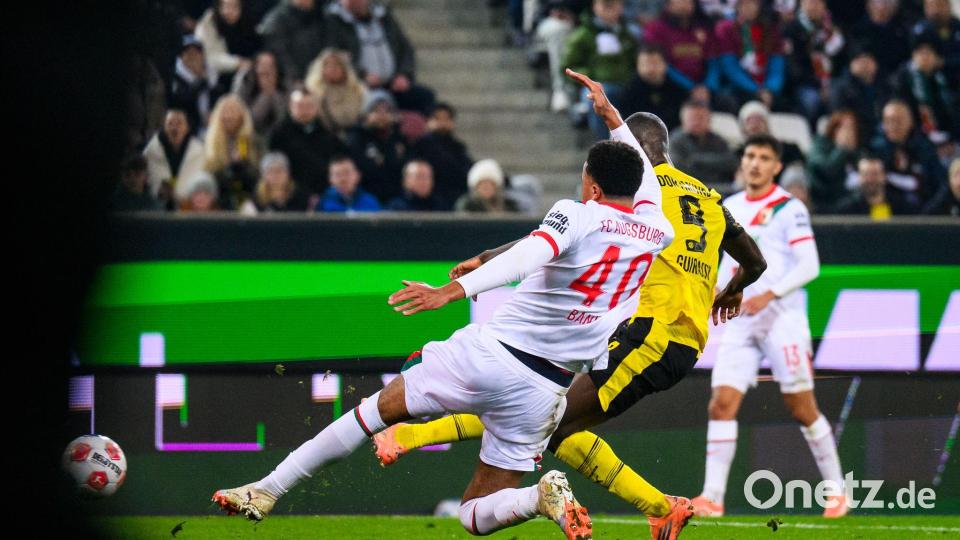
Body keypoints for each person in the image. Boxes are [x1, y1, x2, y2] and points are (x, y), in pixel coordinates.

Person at [213, 136, 677, 540]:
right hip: (547, 389)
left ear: (591, 185)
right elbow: (650, 190)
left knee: (373, 412)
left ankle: (268, 489)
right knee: (474, 514)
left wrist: (451, 292)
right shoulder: (657, 230)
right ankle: (538, 498)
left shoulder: (576, 214)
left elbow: (527, 256)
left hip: (491, 356)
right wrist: (612, 115)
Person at [371, 69, 767, 540]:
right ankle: (661, 509)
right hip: (668, 338)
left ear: (630, 152)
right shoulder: (706, 197)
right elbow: (755, 261)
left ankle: (411, 434)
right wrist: (732, 289)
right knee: (546, 416)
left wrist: (484, 259)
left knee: (545, 418)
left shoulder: (645, 201)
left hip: (651, 335)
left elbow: (553, 239)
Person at [690, 133, 848, 519]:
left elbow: (810, 265)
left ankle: (837, 492)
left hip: (783, 319)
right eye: (749, 155)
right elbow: (718, 260)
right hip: (741, 321)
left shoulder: (789, 208)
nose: (755, 163)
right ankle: (712, 496)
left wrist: (769, 294)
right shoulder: (727, 206)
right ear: (741, 162)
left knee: (801, 407)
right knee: (721, 404)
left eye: (763, 157)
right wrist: (714, 286)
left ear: (776, 166)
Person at [326, 0, 435, 114]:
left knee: (425, 97)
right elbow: (337, 56)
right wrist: (363, 75)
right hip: (362, 87)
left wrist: (404, 74)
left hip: (393, 83)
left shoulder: (383, 17)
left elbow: (405, 48)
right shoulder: (334, 22)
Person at [563, 0, 638, 139]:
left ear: (621, 7)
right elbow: (569, 66)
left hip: (627, 84)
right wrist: (591, 78)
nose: (609, 9)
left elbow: (637, 62)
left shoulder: (630, 34)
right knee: (597, 97)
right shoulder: (582, 35)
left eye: (613, 5)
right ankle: (604, 143)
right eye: (605, 5)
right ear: (594, 6)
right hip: (597, 85)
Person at [269, 89, 348, 197]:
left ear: (316, 108)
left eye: (309, 106)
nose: (305, 111)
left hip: (324, 194)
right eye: (300, 106)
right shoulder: (278, 135)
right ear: (291, 108)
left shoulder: (329, 135)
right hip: (290, 195)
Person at [642, 0, 720, 108]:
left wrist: (708, 87)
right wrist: (691, 87)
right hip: (670, 87)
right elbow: (661, 65)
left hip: (704, 89)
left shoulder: (703, 29)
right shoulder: (656, 29)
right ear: (668, 4)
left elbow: (713, 61)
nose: (684, 5)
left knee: (726, 101)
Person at [869, 99, 947, 205]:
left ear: (910, 121)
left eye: (899, 120)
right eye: (888, 120)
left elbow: (939, 184)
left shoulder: (925, 148)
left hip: (921, 212)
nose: (893, 125)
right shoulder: (874, 150)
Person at [713, 0, 786, 110]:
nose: (748, 7)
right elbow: (730, 67)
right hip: (737, 87)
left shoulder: (771, 30)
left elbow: (776, 66)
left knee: (786, 105)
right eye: (744, 3)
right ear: (737, 6)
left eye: (753, 3)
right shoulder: (726, 28)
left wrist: (769, 89)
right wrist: (757, 90)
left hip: (767, 87)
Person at [782, 0, 845, 125]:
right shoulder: (791, 29)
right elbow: (793, 66)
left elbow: (841, 60)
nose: (813, 6)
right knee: (811, 101)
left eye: (817, 3)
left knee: (840, 96)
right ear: (802, 4)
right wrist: (817, 85)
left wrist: (829, 83)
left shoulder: (832, 29)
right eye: (810, 2)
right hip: (804, 84)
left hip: (831, 82)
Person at [345, 90, 409, 204]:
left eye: (387, 110)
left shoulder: (400, 139)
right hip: (364, 196)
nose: (382, 115)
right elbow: (364, 169)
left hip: (398, 197)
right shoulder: (356, 138)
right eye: (376, 110)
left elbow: (403, 169)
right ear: (365, 115)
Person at [890, 37, 959, 142]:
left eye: (928, 53)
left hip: (948, 135)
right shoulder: (902, 79)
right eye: (920, 53)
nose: (925, 57)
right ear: (913, 56)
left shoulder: (943, 77)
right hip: (917, 138)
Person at [410, 102, 474, 207]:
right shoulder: (420, 146)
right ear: (427, 122)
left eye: (447, 119)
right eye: (437, 119)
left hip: (456, 196)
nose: (443, 123)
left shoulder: (458, 148)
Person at [204, 94, 262, 210]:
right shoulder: (210, 142)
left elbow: (259, 176)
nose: (229, 116)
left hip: (249, 197)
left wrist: (243, 164)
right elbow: (209, 176)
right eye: (225, 111)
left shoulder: (253, 140)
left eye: (233, 111)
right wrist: (230, 167)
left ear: (242, 115)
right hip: (220, 197)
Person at [143, 108, 206, 207]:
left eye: (179, 123)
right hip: (156, 207)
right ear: (164, 127)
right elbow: (147, 183)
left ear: (187, 128)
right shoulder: (151, 151)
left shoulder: (199, 151)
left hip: (189, 208)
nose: (174, 128)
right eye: (170, 123)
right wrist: (159, 192)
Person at [668, 100, 738, 186]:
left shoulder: (717, 140)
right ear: (683, 120)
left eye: (701, 118)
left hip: (718, 189)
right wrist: (713, 168)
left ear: (709, 119)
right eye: (692, 118)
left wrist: (697, 160)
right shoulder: (675, 141)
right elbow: (677, 168)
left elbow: (731, 163)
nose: (696, 122)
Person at [619, 44, 687, 130]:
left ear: (665, 64)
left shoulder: (678, 91)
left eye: (655, 63)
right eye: (645, 64)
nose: (650, 69)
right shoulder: (628, 92)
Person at [259, 0, 328, 83]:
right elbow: (280, 56)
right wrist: (296, 80)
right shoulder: (277, 20)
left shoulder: (322, 16)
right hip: (290, 83)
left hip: (322, 79)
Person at [305, 48, 369, 137]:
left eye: (337, 64)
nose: (332, 69)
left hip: (356, 134)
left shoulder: (357, 89)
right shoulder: (313, 92)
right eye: (327, 65)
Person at [194, 0, 261, 84]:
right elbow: (210, 58)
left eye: (234, 6)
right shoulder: (208, 24)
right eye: (226, 6)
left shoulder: (248, 21)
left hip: (247, 74)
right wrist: (237, 63)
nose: (229, 11)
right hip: (216, 78)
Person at [807, 110, 860, 212]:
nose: (850, 134)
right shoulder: (820, 145)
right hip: (826, 204)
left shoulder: (857, 154)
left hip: (852, 207)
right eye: (846, 129)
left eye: (853, 129)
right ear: (834, 129)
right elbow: (827, 171)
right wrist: (841, 149)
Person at [829, 43, 885, 140]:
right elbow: (840, 115)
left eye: (868, 59)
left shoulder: (884, 85)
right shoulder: (841, 88)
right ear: (851, 64)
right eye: (860, 60)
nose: (865, 64)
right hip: (856, 134)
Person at [169, 35, 224, 133]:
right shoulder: (175, 78)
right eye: (188, 52)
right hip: (188, 131)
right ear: (181, 57)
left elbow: (220, 99)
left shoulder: (213, 76)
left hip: (213, 127)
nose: (192, 56)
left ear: (203, 55)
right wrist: (200, 82)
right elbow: (179, 101)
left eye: (196, 52)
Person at [834, 155, 919, 218]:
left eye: (875, 174)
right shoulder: (846, 210)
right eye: (866, 174)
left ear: (884, 176)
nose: (870, 179)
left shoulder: (903, 207)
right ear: (859, 177)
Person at [849, 0, 911, 80]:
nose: (881, 7)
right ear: (868, 5)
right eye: (877, 2)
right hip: (873, 79)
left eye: (886, 2)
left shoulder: (902, 27)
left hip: (899, 75)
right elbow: (858, 55)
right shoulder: (859, 30)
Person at [232, 51, 288, 136]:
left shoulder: (285, 84)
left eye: (270, 66)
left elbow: (284, 119)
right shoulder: (246, 83)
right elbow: (248, 120)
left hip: (281, 137)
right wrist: (265, 95)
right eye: (262, 65)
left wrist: (273, 94)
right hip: (248, 136)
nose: (266, 70)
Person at [240, 152, 310, 214]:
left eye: (280, 170)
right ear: (263, 176)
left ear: (288, 174)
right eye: (270, 171)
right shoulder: (252, 206)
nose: (276, 175)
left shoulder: (302, 201)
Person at [911, 0, 960, 85]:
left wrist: (943, 62)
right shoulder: (920, 31)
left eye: (939, 5)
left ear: (948, 6)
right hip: (929, 80)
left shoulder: (957, 27)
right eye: (930, 6)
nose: (935, 11)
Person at [316, 155, 382, 212]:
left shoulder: (370, 202)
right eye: (337, 174)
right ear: (330, 179)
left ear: (357, 175)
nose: (343, 179)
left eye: (347, 173)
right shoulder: (323, 204)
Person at [455, 159, 522, 214]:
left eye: (490, 184)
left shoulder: (510, 205)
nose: (486, 187)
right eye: (482, 184)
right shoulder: (468, 205)